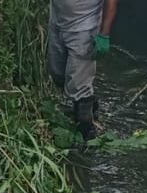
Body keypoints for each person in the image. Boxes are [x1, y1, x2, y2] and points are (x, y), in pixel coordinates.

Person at [48, 0, 118, 140]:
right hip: (57, 23)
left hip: (84, 29)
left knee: (79, 87)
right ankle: (91, 105)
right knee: (58, 74)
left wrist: (104, 35)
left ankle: (86, 137)